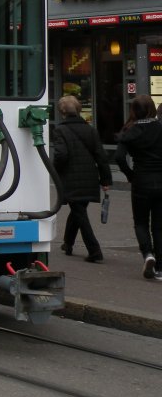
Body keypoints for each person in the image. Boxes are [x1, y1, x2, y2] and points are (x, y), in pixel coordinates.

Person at [51, 95, 111, 262]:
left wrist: (55, 169)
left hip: (71, 179)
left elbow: (61, 155)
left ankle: (94, 250)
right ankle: (67, 243)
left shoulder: (60, 130)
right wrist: (105, 180)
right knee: (78, 210)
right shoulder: (90, 130)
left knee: (79, 213)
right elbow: (101, 156)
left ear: (62, 112)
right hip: (90, 178)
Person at [114, 94, 162, 280]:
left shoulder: (130, 131)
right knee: (159, 226)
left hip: (141, 180)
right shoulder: (159, 128)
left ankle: (147, 254)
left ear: (133, 110)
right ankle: (159, 268)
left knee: (141, 222)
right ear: (152, 108)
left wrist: (129, 174)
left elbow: (118, 157)